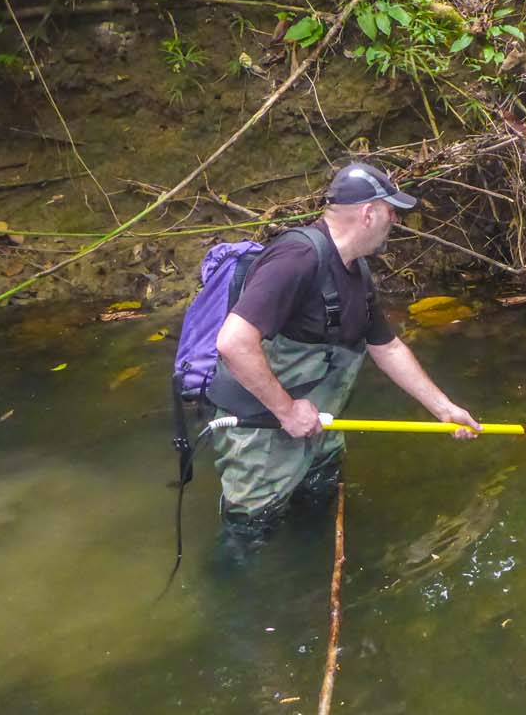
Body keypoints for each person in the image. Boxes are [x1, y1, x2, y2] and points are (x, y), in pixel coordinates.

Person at [206, 161, 481, 538]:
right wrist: (287, 411)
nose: (395, 222)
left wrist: (444, 409)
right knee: (251, 536)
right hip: (263, 433)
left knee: (320, 507)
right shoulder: (296, 258)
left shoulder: (356, 270)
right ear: (369, 213)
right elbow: (233, 342)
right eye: (391, 212)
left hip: (319, 427)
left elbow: (387, 347)